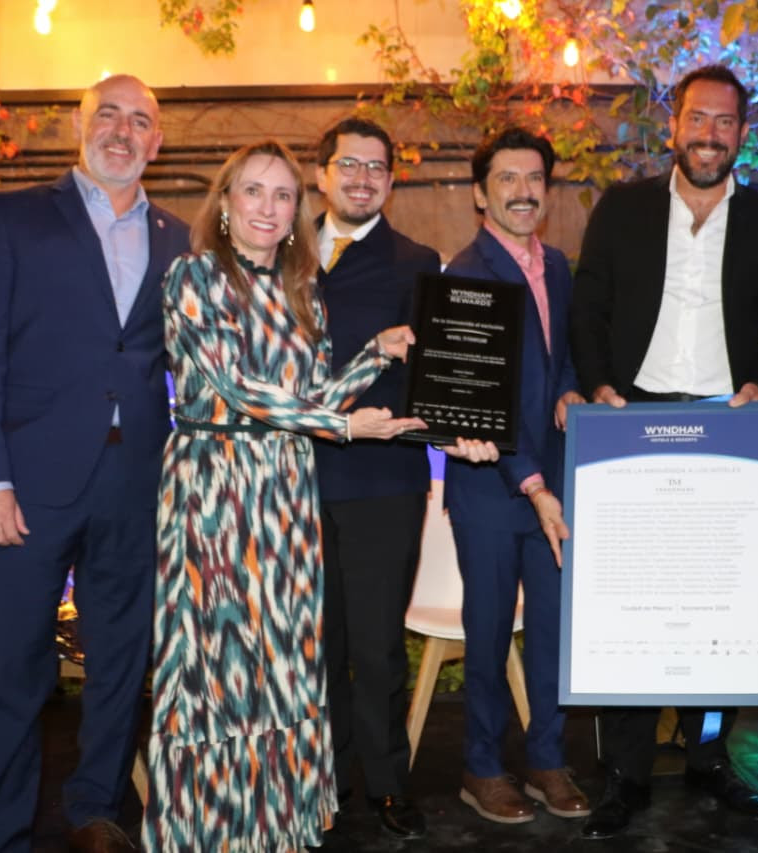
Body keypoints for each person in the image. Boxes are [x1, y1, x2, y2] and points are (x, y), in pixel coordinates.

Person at [140, 139, 494, 850]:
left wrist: (375, 356)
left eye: (282, 195)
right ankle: (209, 828)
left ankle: (275, 825)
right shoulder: (194, 274)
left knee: (282, 666)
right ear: (225, 202)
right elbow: (237, 386)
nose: (268, 207)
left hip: (286, 495)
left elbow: (316, 396)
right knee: (217, 667)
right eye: (253, 191)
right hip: (217, 492)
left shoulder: (297, 289)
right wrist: (344, 425)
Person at [0, 74, 189, 853]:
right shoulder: (14, 217)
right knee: (12, 667)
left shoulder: (179, 238)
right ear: (79, 127)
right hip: (26, 484)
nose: (122, 130)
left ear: (157, 141)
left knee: (120, 661)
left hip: (137, 481)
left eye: (139, 120)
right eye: (107, 114)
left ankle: (95, 811)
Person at [569, 63, 758, 839]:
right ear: (673, 125)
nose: (709, 134)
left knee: (717, 603)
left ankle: (709, 756)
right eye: (697, 118)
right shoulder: (623, 207)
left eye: (725, 121)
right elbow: (589, 306)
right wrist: (599, 386)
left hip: (725, 428)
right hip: (631, 420)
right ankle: (626, 774)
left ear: (742, 133)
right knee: (631, 603)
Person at [443, 126, 590, 826]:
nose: (523, 191)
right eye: (507, 178)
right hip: (494, 492)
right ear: (481, 194)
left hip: (553, 485)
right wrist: (532, 484)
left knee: (554, 630)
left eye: (534, 178)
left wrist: (569, 389)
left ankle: (546, 759)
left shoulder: (556, 264)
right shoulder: (464, 275)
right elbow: (481, 401)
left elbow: (561, 356)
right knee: (489, 632)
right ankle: (481, 766)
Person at [311, 117, 439, 839]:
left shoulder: (416, 262)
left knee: (379, 645)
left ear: (391, 181)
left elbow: (433, 377)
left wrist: (465, 428)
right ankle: (323, 784)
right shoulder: (280, 252)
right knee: (315, 646)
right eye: (348, 164)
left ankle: (388, 785)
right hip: (292, 479)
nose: (362, 178)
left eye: (376, 168)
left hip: (384, 480)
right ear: (321, 174)